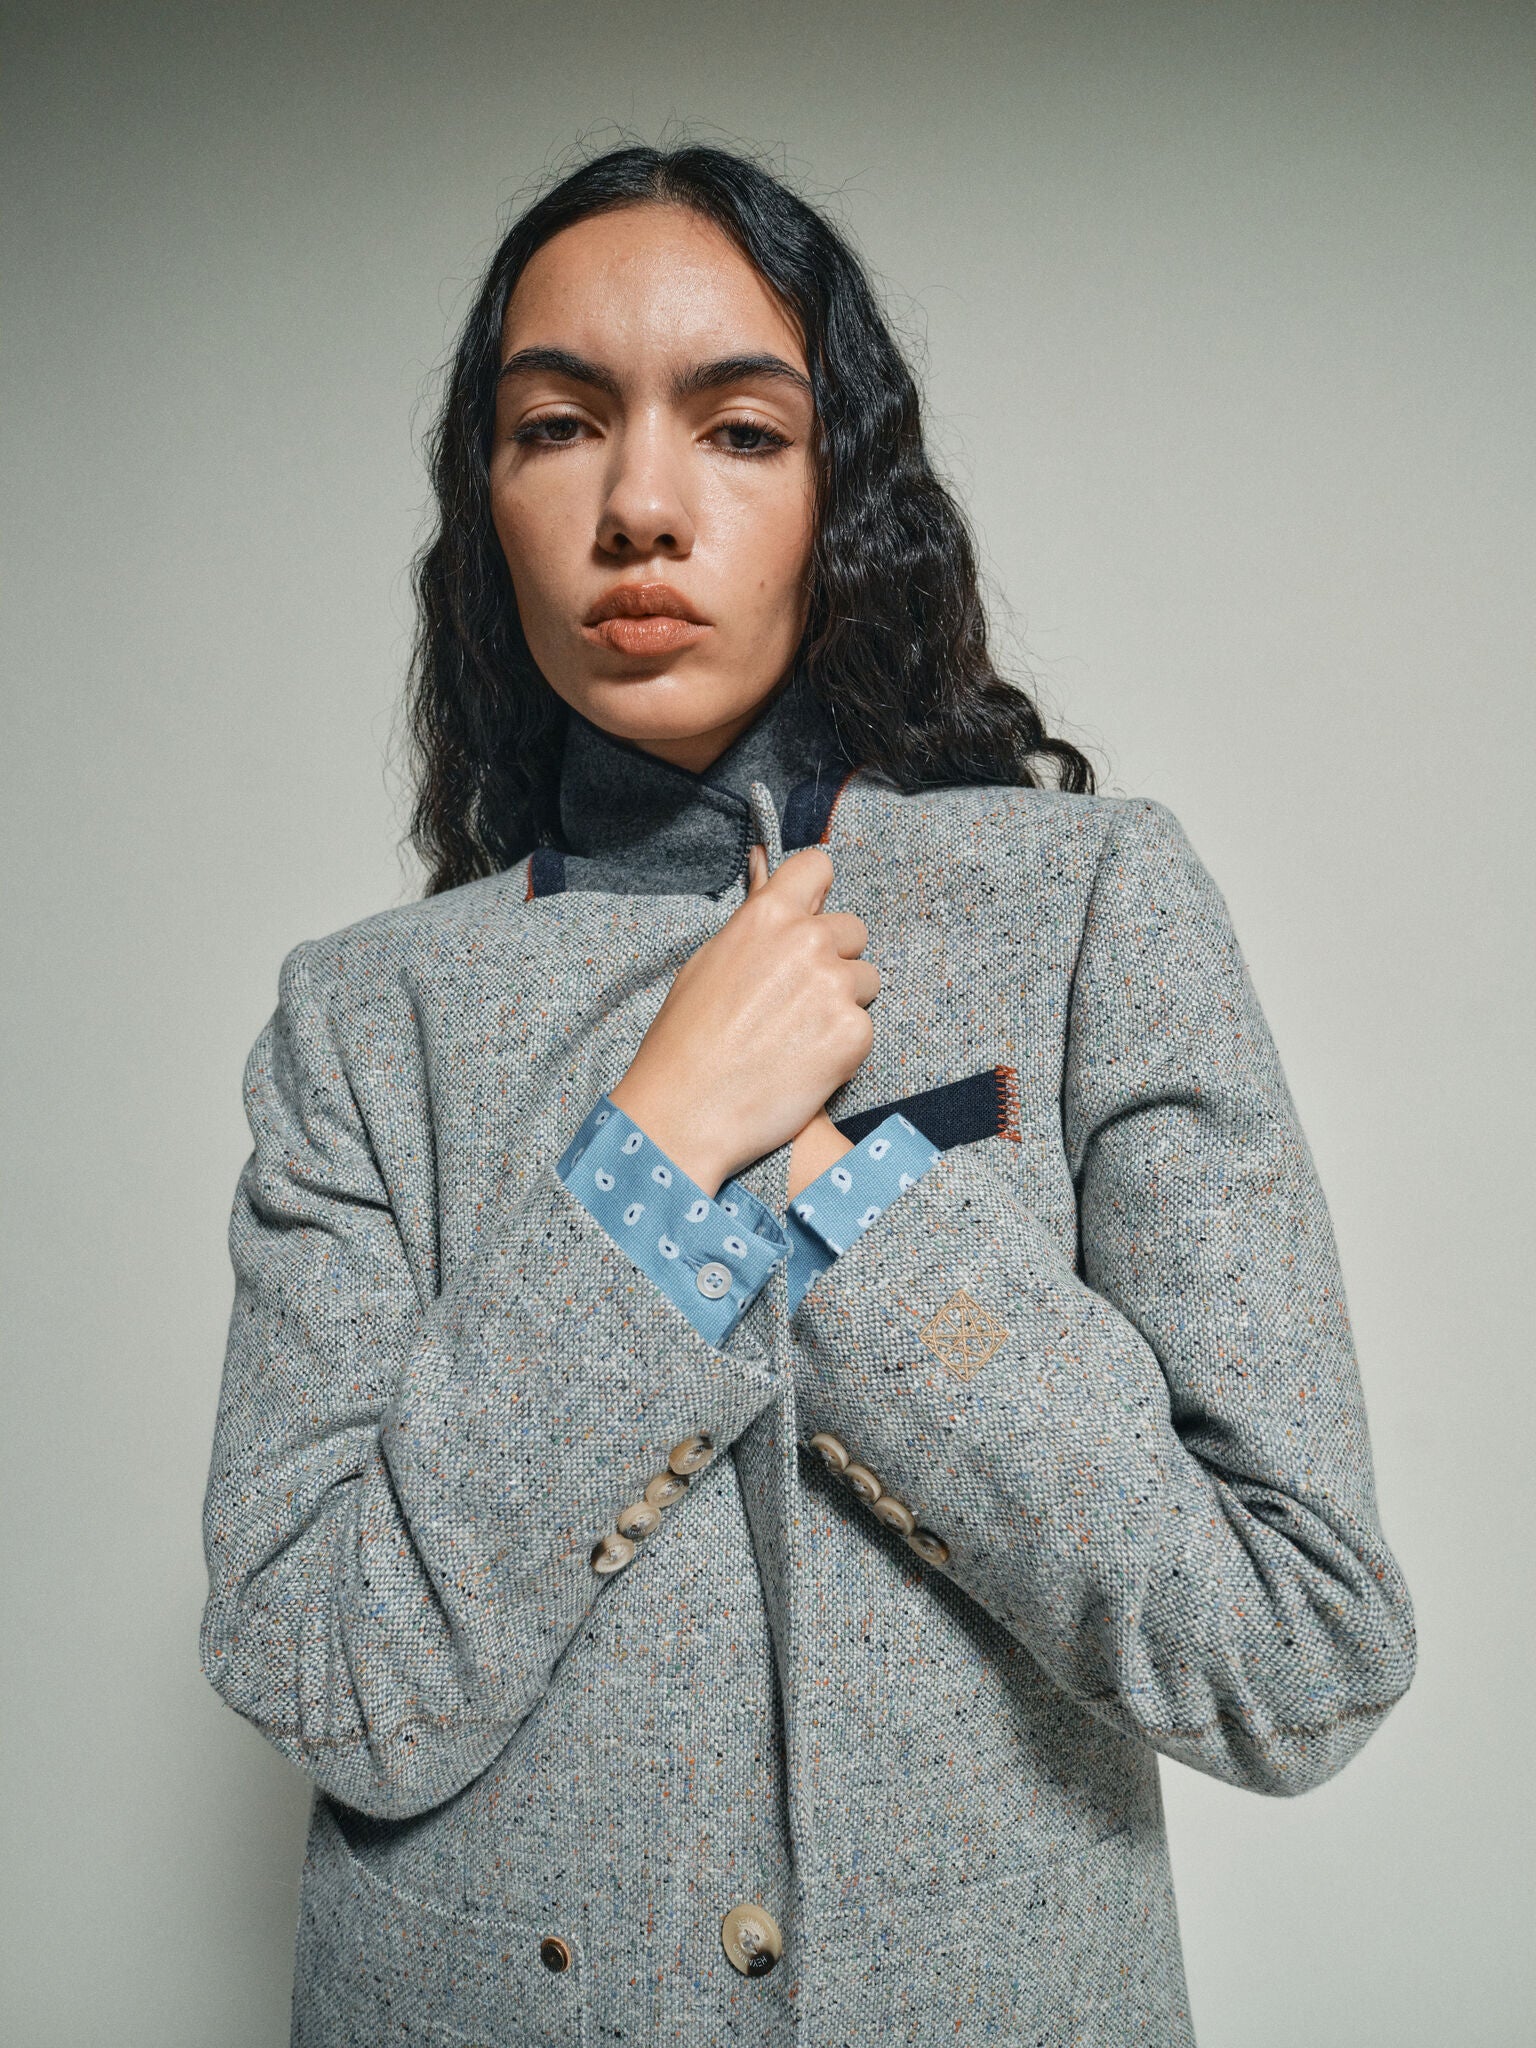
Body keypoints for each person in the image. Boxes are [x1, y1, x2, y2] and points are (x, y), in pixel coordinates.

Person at [199, 143, 1415, 2046]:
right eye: (557, 427)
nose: (641, 507)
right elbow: (325, 1675)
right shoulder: (359, 1023)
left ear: (842, 491)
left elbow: (1298, 1651)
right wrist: (647, 1167)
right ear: (484, 500)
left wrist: (847, 1213)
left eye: (742, 430)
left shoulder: (1091, 909)